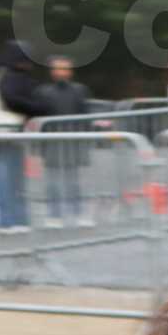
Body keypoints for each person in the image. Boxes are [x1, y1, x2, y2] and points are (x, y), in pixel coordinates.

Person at [0, 40, 50, 235]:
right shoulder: (11, 76)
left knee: (12, 178)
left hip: (8, 132)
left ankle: (14, 219)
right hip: (9, 131)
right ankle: (9, 221)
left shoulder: (4, 74)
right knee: (9, 178)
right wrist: (37, 107)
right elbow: (12, 99)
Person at [35, 56, 95, 228]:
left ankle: (78, 213)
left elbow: (86, 115)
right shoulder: (43, 92)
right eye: (58, 69)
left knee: (74, 180)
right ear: (52, 72)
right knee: (52, 181)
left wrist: (85, 138)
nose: (62, 72)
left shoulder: (80, 90)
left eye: (65, 69)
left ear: (71, 72)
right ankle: (54, 215)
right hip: (51, 142)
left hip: (73, 141)